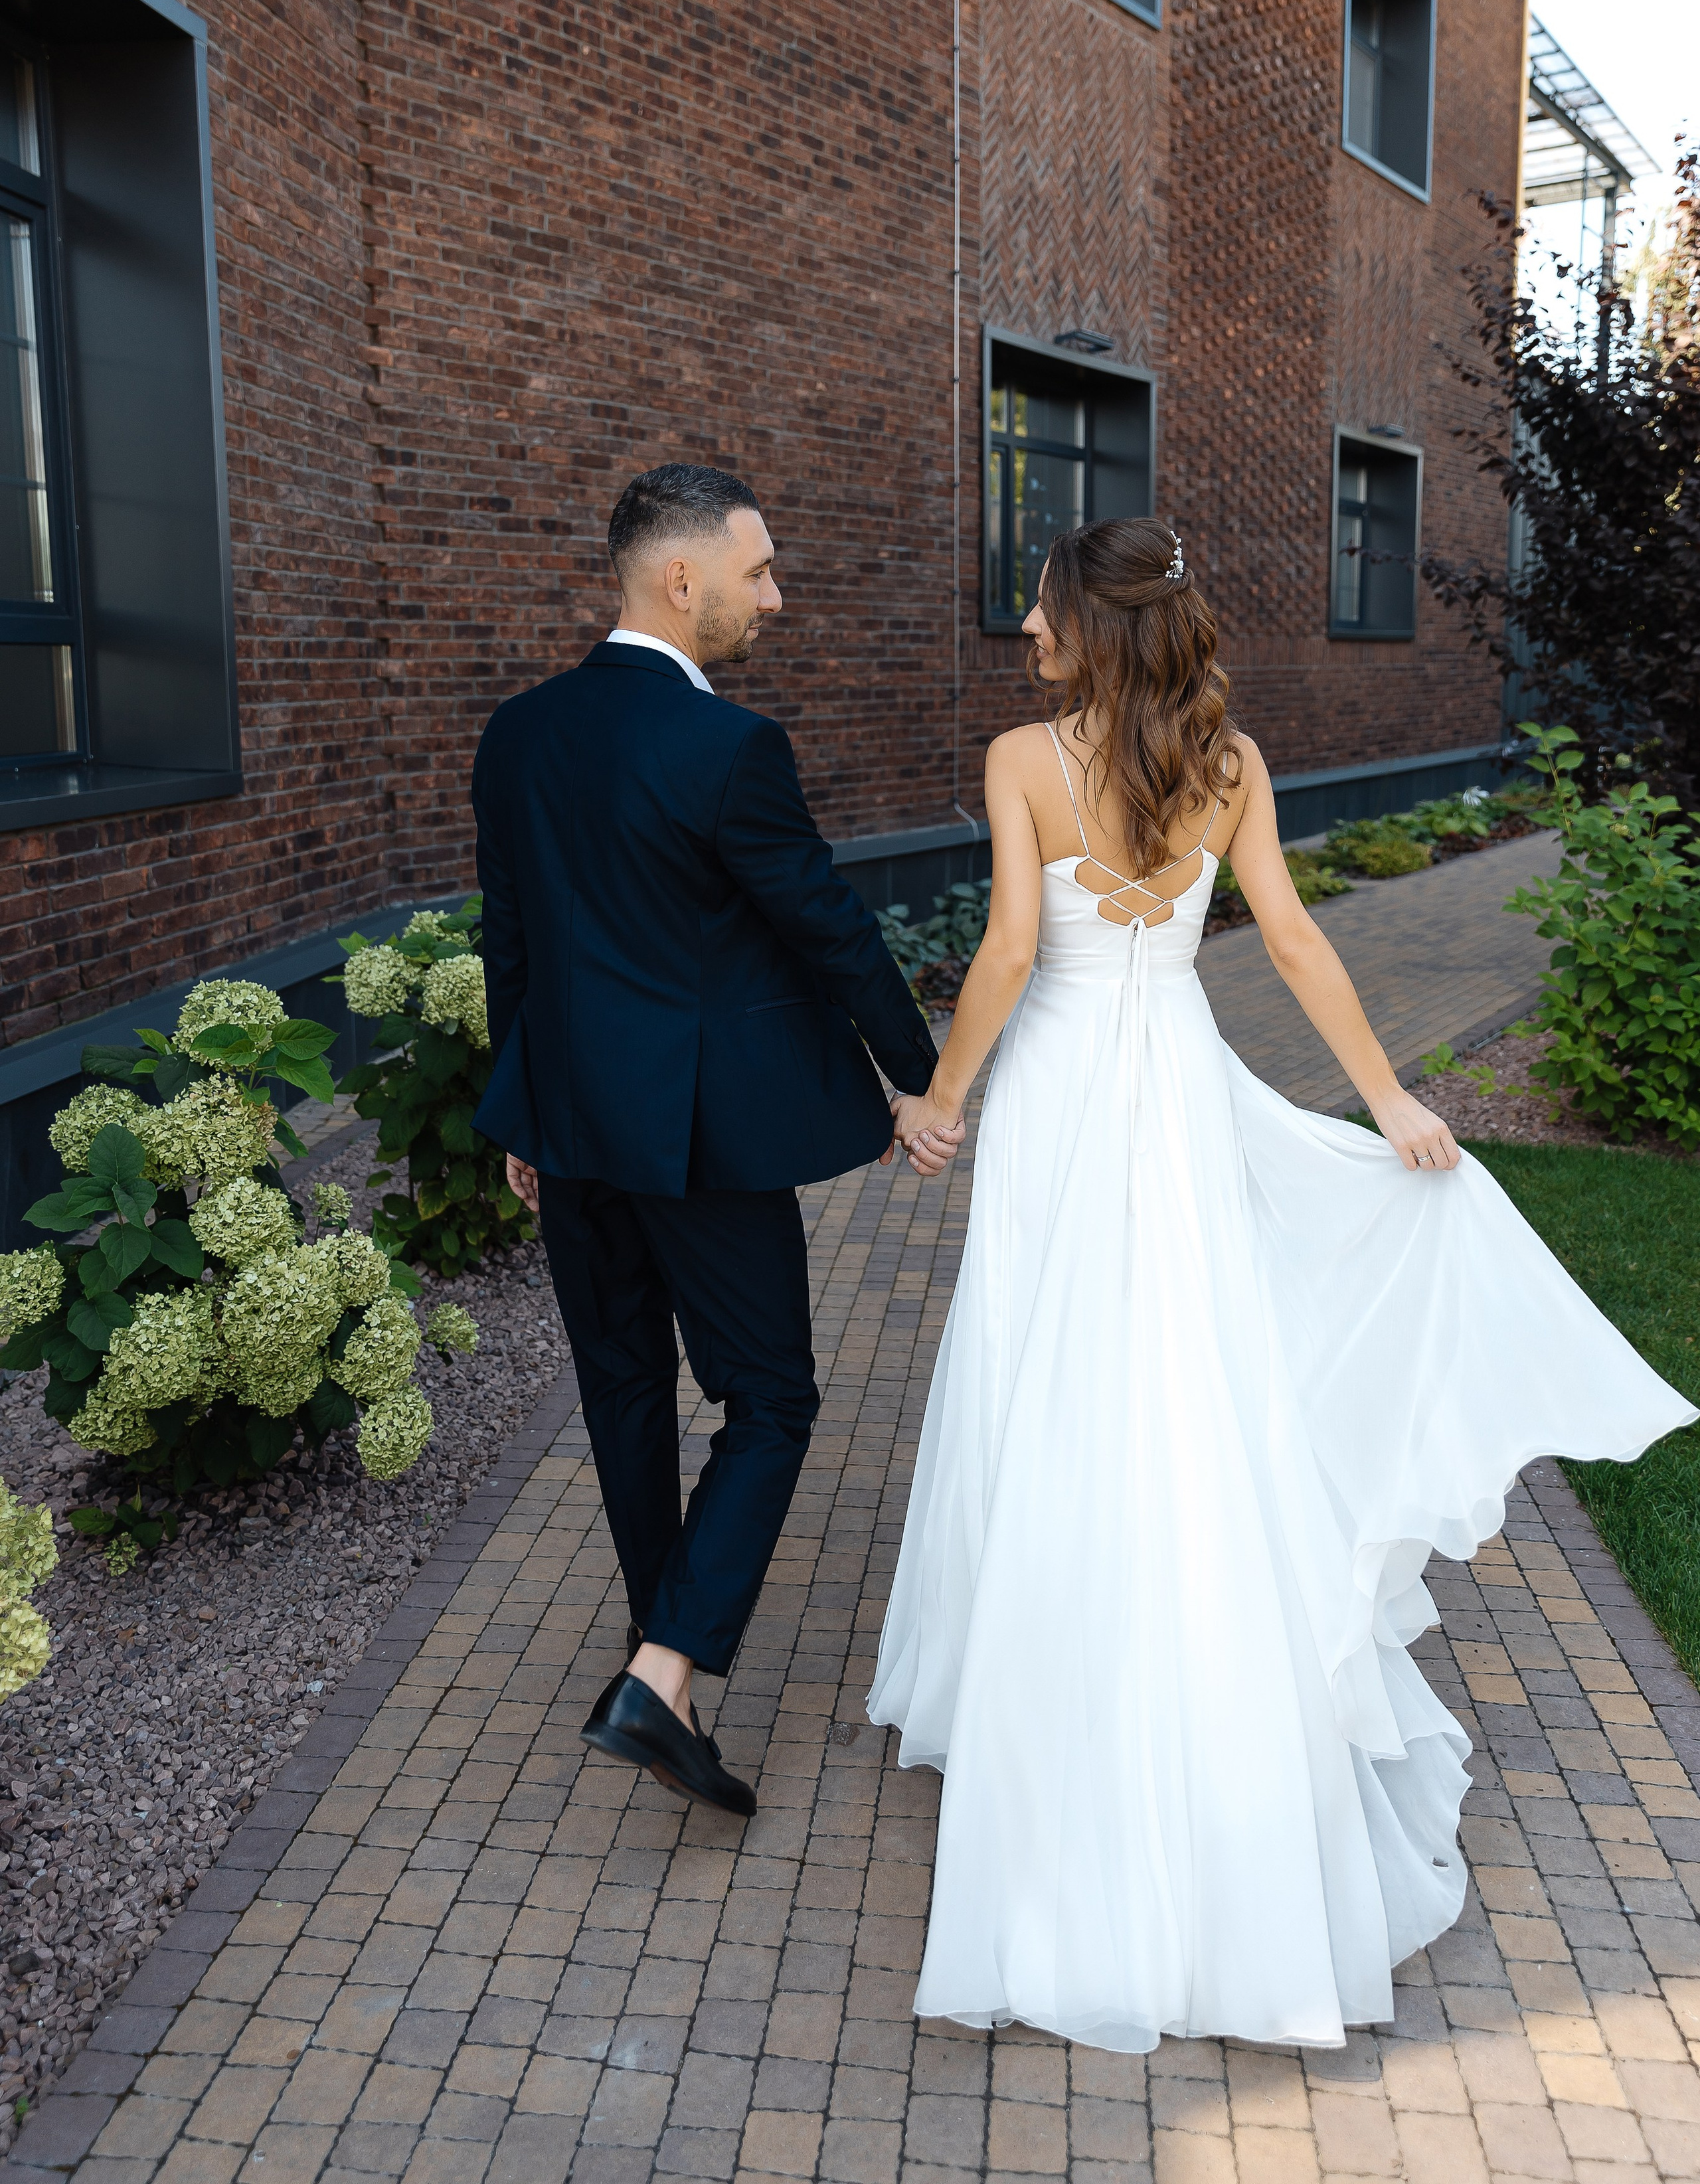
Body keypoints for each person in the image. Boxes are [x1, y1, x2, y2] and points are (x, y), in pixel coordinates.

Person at [868, 514, 1693, 2052]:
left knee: (1043, 1368)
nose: (1025, 631)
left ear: (1083, 626)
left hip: (1057, 1091)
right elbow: (1295, 940)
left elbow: (1001, 951)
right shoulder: (1226, 762)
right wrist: (1382, 1097)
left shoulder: (1021, 761)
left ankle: (1053, 1694)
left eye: (1040, 611)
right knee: (1182, 1366)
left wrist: (938, 1101)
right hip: (1172, 1082)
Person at [473, 463, 954, 1817]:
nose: (774, 597)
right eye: (757, 572)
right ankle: (660, 1677)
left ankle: (656, 1672)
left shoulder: (518, 733)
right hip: (692, 1144)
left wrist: (521, 1105)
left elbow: (512, 940)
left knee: (624, 1393)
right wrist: (920, 1084)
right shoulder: (727, 749)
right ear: (679, 580)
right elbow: (828, 930)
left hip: (568, 1127)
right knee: (772, 1400)